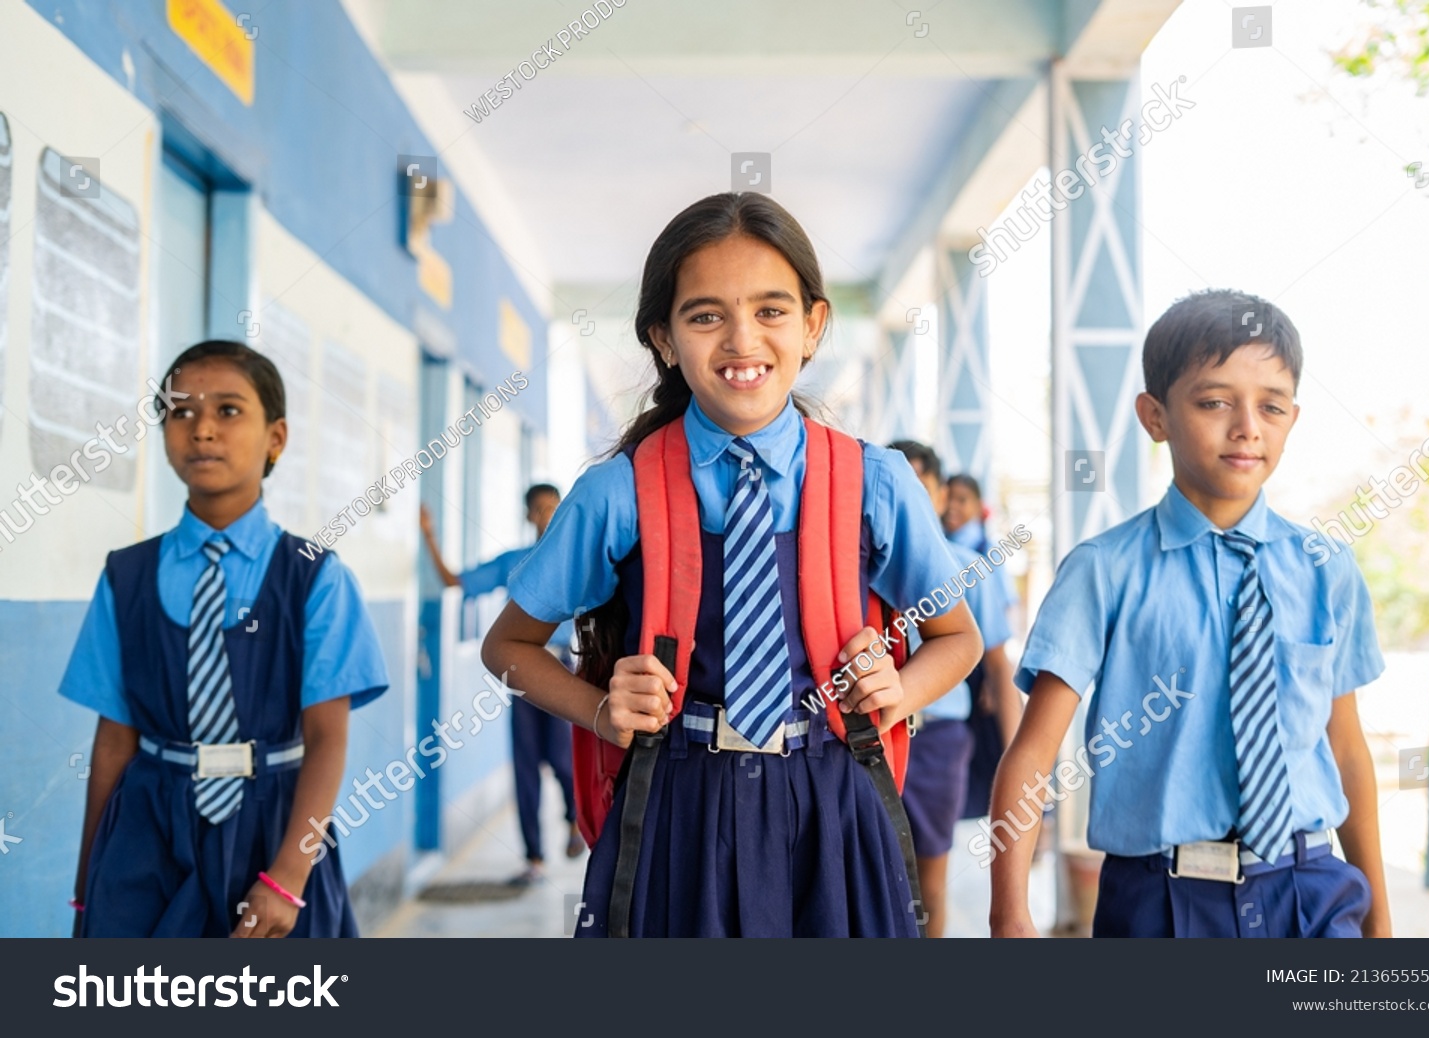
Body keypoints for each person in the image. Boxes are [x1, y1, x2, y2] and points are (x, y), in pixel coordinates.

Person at [483, 192, 983, 937]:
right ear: (663, 337)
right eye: (706, 315)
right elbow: (508, 647)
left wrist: (899, 687)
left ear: (813, 326)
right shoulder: (619, 490)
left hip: (834, 810)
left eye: (772, 311)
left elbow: (958, 639)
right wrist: (600, 709)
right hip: (677, 804)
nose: (742, 340)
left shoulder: (873, 483)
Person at [985, 290, 1391, 938]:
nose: (1246, 427)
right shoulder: (1104, 570)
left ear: (1292, 418)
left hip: (1310, 891)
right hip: (1160, 902)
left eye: (1271, 406)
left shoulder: (1325, 568)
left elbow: (1346, 750)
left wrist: (1382, 928)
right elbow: (1033, 753)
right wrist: (1009, 916)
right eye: (1213, 402)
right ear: (1155, 416)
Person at [59, 340, 389, 937]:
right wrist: (88, 886)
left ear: (276, 438)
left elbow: (327, 741)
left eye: (229, 410)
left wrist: (289, 875)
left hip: (275, 822)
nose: (202, 429)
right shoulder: (125, 577)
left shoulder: (313, 577)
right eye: (180, 412)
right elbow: (112, 741)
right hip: (148, 828)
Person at [419, 485, 586, 884]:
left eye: (553, 508)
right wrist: (429, 536)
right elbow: (454, 581)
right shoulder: (513, 561)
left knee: (564, 758)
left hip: (562, 667)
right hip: (522, 671)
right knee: (525, 764)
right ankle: (534, 859)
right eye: (539, 510)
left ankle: (576, 821)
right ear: (529, 516)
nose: (547, 516)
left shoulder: (576, 558)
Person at [889, 443, 1013, 938]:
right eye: (902, 487)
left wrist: (1019, 759)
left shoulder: (971, 569)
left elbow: (1000, 668)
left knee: (929, 882)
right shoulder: (855, 569)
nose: (913, 498)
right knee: (866, 875)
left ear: (942, 497)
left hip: (938, 741)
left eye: (925, 488)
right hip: (867, 739)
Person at [943, 472, 1025, 818]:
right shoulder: (941, 545)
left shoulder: (984, 552)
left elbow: (1006, 612)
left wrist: (997, 675)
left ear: (978, 506)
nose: (953, 508)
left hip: (983, 662)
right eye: (949, 499)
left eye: (963, 500)